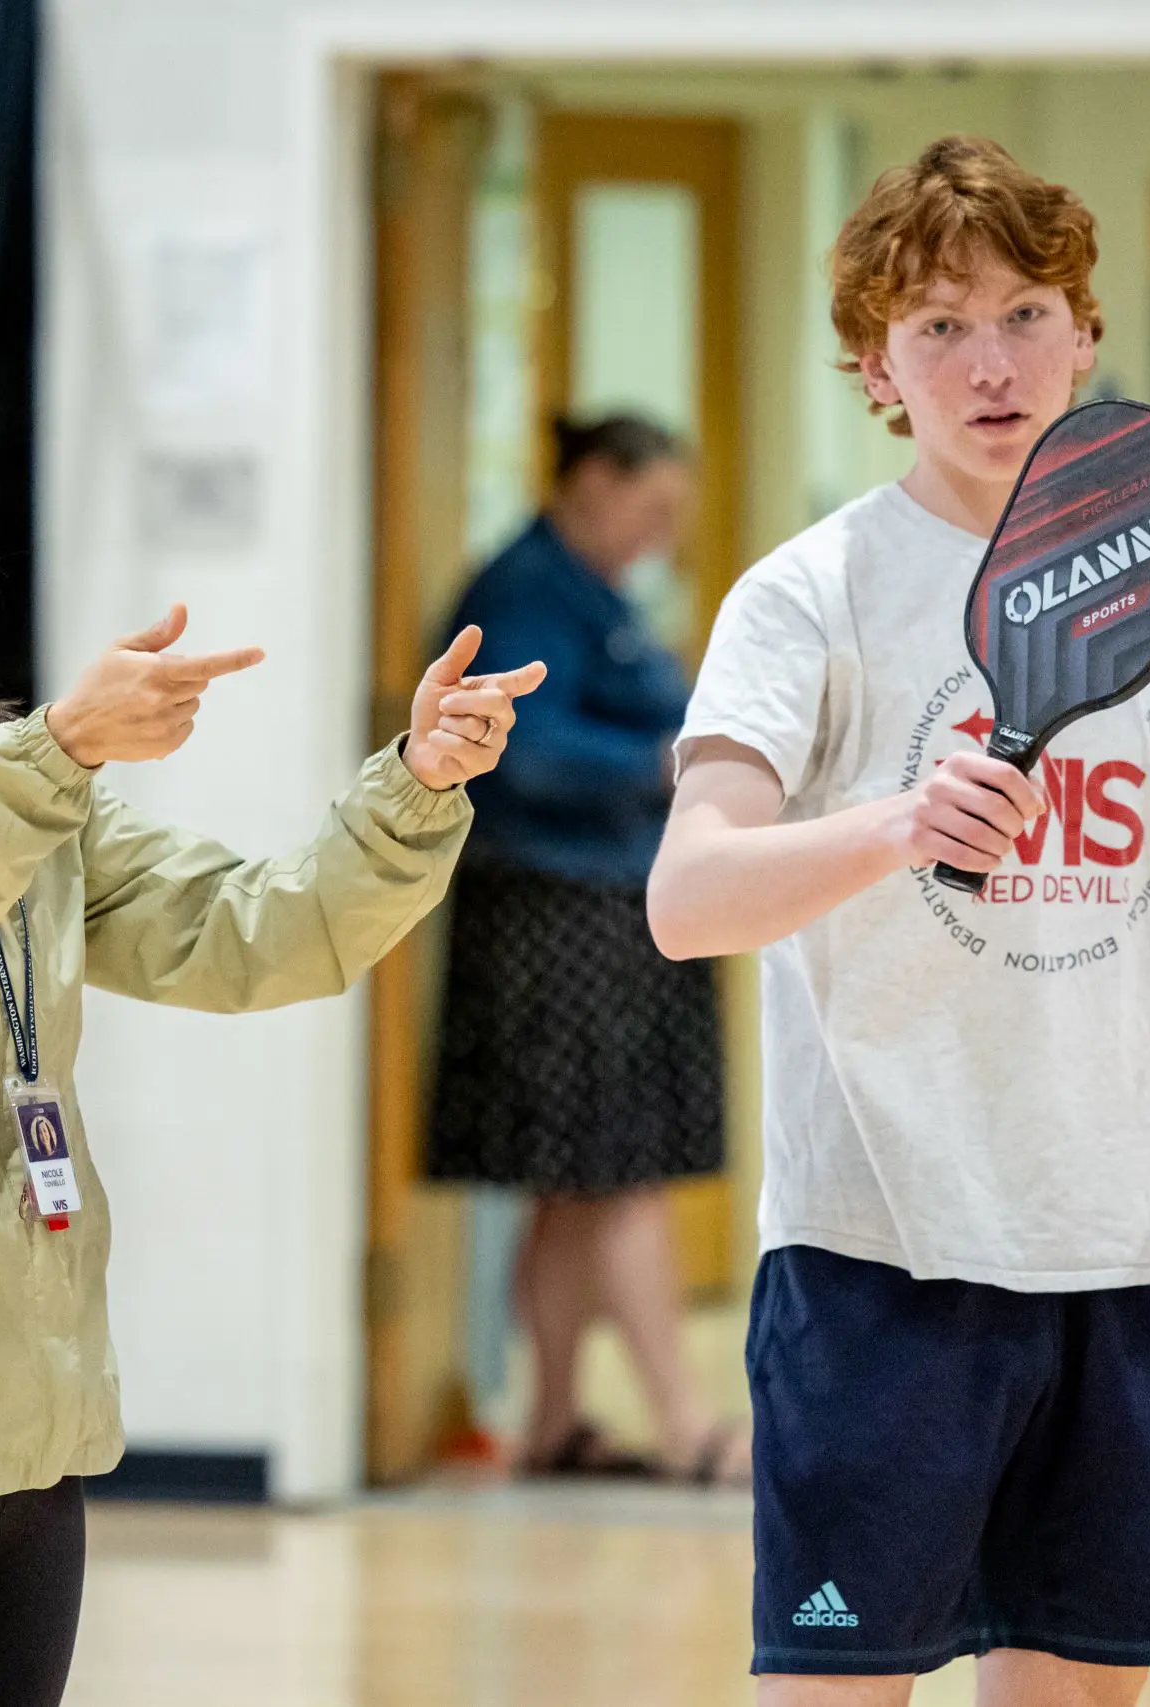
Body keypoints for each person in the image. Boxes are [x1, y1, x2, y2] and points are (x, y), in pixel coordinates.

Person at [0, 357, 545, 1707]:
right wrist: (58, 755)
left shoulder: (10, 773)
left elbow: (261, 933)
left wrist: (415, 788)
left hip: (31, 1421)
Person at [644, 136, 1150, 1703]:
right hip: (879, 1260)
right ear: (875, 367)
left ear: (1087, 335)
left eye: (1027, 314)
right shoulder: (807, 595)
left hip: (1121, 1252)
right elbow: (689, 893)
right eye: (941, 327)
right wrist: (898, 824)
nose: (992, 362)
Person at [425, 412, 739, 1484]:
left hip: (597, 909)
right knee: (621, 1172)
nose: (656, 539)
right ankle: (690, 1426)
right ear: (593, 482)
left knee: (569, 1181)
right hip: (556, 916)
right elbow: (527, 753)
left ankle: (553, 1418)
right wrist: (665, 760)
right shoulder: (526, 592)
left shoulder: (589, 594)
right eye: (649, 511)